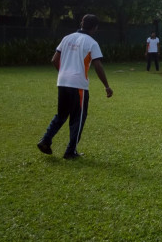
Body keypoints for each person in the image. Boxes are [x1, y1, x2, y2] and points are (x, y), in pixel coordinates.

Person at [37, 14, 113, 159]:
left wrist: (64, 73)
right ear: (95, 27)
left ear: (81, 23)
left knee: (61, 114)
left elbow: (54, 60)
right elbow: (98, 65)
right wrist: (107, 86)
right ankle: (70, 151)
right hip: (78, 85)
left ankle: (46, 140)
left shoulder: (67, 38)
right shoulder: (92, 43)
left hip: (62, 82)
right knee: (78, 118)